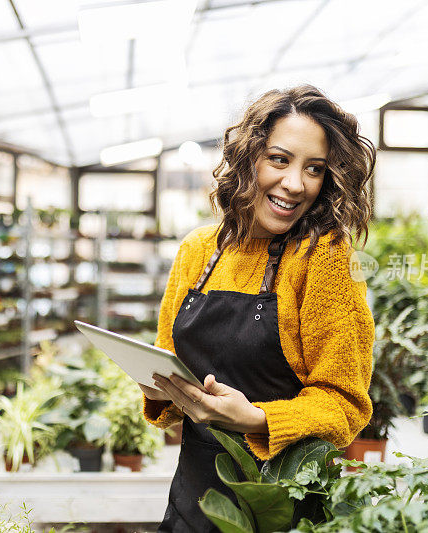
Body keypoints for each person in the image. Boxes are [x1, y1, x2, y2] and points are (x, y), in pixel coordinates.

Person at [138, 84, 377, 532]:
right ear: (249, 158)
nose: (294, 184)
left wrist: (257, 418)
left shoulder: (324, 258)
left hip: (283, 509)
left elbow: (345, 404)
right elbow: (167, 364)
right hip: (194, 505)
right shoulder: (197, 252)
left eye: (315, 169)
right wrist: (159, 390)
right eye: (279, 159)